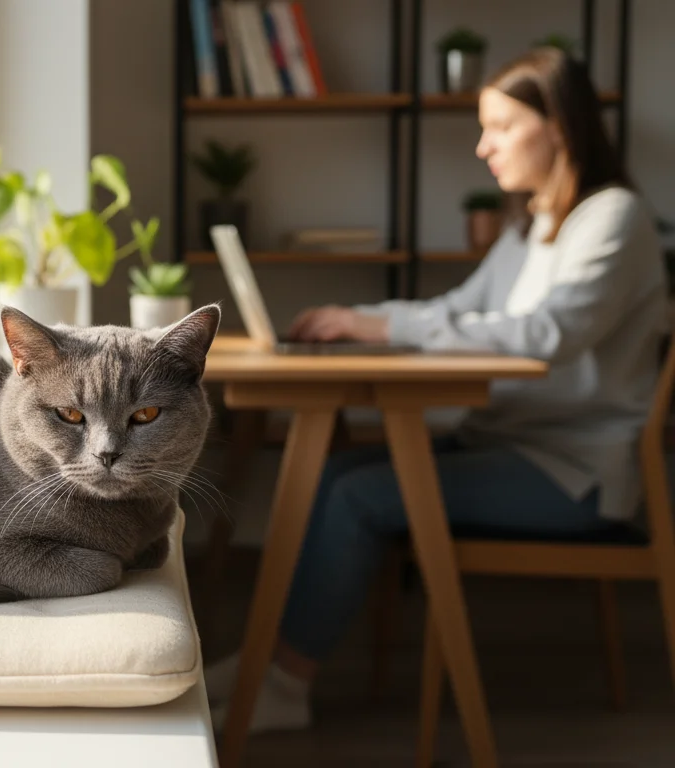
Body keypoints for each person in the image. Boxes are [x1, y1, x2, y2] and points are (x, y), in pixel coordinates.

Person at [207, 46, 669, 732]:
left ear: (562, 127)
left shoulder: (613, 217)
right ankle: (269, 663)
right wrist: (367, 322)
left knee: (361, 494)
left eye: (502, 126)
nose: (484, 147)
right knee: (336, 471)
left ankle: (283, 684)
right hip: (506, 444)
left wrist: (380, 323)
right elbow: (459, 308)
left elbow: (546, 333)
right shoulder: (534, 222)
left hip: (573, 474)